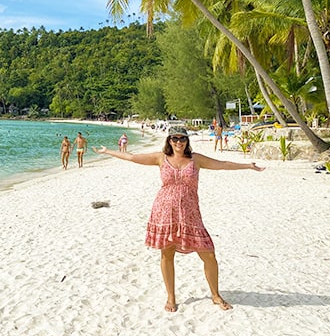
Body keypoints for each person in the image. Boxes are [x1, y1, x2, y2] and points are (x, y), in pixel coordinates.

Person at [93, 125, 264, 313]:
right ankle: (171, 297)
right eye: (174, 139)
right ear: (169, 141)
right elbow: (133, 158)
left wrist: (248, 166)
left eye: (182, 139)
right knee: (167, 254)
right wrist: (107, 151)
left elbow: (222, 164)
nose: (178, 142)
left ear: (187, 141)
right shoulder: (161, 158)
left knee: (209, 254)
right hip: (164, 211)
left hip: (190, 213)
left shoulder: (195, 159)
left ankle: (215, 295)